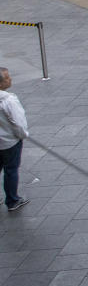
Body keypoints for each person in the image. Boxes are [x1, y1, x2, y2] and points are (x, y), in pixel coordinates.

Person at [0, 67, 30, 213]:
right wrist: (22, 135)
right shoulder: (8, 100)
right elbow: (18, 122)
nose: (10, 79)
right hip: (9, 142)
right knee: (11, 170)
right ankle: (12, 200)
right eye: (6, 77)